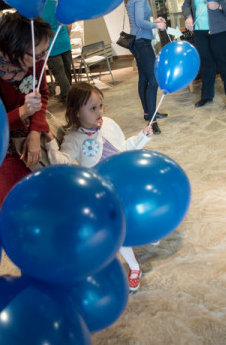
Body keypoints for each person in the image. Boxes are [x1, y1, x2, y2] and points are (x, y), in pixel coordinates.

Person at [46, 82, 153, 292]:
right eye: (93, 108)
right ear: (76, 112)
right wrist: (50, 143)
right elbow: (62, 161)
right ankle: (134, 267)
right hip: (104, 193)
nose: (99, 112)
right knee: (118, 230)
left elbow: (124, 148)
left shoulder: (109, 124)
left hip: (125, 182)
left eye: (101, 106)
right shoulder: (73, 138)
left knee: (138, 214)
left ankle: (151, 232)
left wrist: (142, 137)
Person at [0, 12, 53, 215]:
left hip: (32, 136)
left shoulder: (36, 58)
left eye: (45, 52)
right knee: (14, 207)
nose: (42, 59)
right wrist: (21, 112)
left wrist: (35, 131)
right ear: (15, 49)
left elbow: (42, 93)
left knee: (46, 202)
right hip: (2, 147)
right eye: (38, 55)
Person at [125, 0, 167, 133]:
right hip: (142, 42)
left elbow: (139, 21)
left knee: (144, 78)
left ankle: (148, 112)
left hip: (137, 41)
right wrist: (157, 25)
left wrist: (153, 21)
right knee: (154, 79)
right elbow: (140, 22)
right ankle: (152, 120)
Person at [40, 0, 74, 102]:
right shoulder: (56, 3)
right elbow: (68, 23)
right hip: (64, 42)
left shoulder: (38, 10)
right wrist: (67, 36)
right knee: (67, 71)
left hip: (51, 46)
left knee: (60, 74)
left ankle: (70, 99)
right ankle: (65, 95)